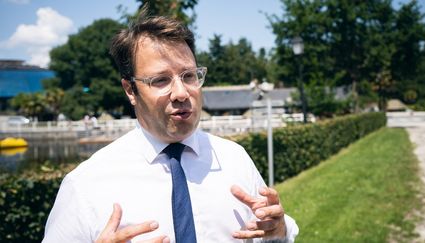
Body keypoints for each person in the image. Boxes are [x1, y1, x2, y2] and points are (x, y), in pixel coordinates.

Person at [43, 8, 298, 243]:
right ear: (130, 90)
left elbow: (272, 233)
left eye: (189, 76)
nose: (181, 93)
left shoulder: (235, 159)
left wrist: (279, 232)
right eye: (161, 80)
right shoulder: (86, 184)